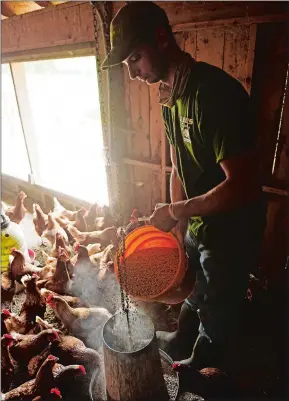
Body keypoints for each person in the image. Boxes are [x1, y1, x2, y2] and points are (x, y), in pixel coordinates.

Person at [102, 1, 266, 371]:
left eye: (135, 59)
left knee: (219, 303)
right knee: (194, 285)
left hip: (232, 229)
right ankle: (181, 338)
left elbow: (243, 186)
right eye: (127, 64)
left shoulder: (213, 94)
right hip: (197, 220)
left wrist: (177, 211)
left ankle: (206, 365)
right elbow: (178, 168)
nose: (132, 74)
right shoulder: (169, 98)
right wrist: (178, 225)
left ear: (161, 38)